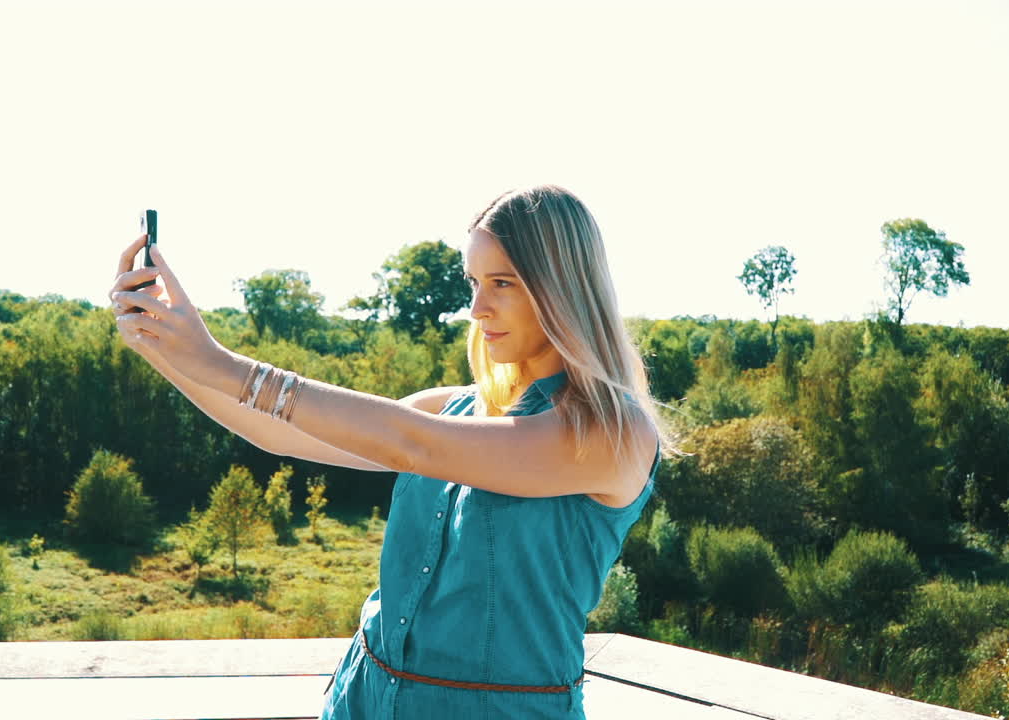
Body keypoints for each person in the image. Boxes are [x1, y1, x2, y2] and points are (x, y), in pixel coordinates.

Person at [108, 184, 683, 718]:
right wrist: (162, 345)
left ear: (564, 288)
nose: (478, 308)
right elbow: (275, 430)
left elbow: (409, 443)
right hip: (364, 698)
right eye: (473, 283)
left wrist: (222, 363)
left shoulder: (613, 433)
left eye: (502, 283)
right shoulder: (455, 408)